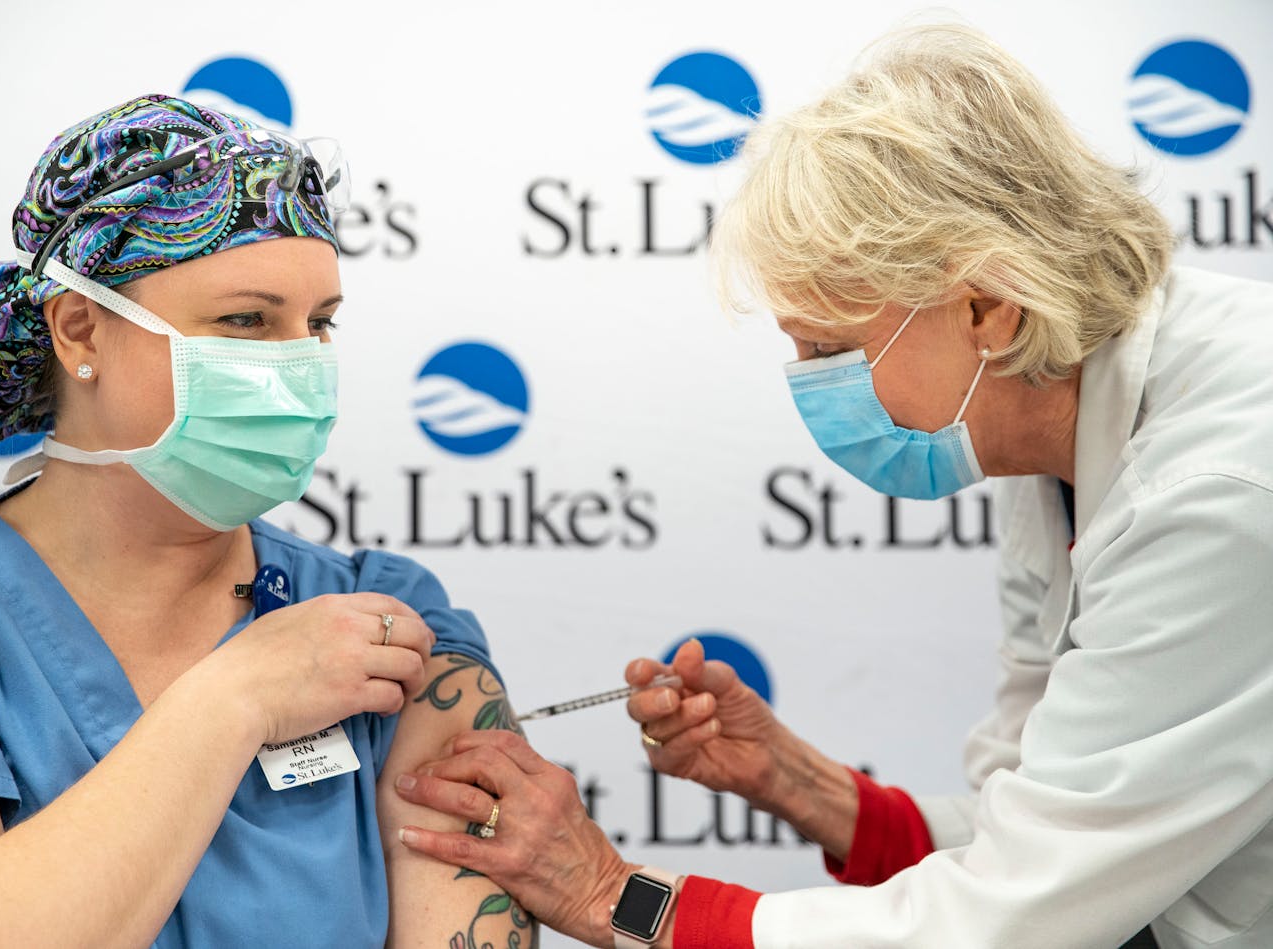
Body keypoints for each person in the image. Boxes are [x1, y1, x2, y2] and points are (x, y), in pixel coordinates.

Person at [391, 24, 1273, 949]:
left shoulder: (1215, 489)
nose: (813, 386)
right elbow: (1041, 826)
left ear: (987, 307)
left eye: (829, 350)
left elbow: (1016, 916)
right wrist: (795, 780)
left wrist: (615, 895)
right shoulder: (1044, 422)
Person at [0, 95, 536, 949]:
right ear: (78, 329)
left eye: (319, 324)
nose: (298, 366)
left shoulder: (388, 621)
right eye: (246, 320)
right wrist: (235, 695)